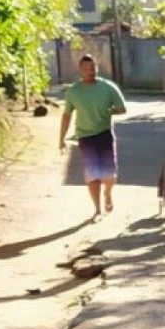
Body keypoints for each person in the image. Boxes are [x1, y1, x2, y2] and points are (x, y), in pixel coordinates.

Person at [59, 54, 127, 220]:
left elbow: (122, 108)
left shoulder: (108, 87)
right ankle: (97, 209)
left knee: (110, 174)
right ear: (80, 70)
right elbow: (66, 115)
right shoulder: (74, 91)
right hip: (85, 136)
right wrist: (61, 138)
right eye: (86, 69)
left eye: (92, 69)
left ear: (97, 68)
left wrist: (109, 111)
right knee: (92, 174)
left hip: (104, 134)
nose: (89, 72)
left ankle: (108, 194)